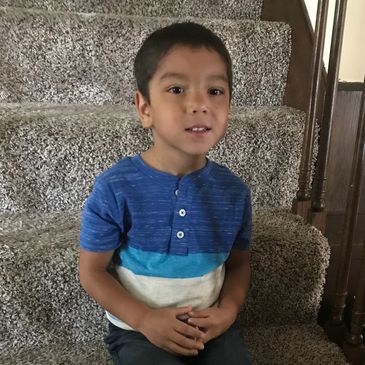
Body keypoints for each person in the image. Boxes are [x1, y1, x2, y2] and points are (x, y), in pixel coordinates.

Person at [79, 21, 252, 365]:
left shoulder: (234, 193)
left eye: (215, 91)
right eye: (176, 89)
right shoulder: (115, 187)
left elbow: (239, 265)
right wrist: (143, 320)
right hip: (138, 329)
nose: (199, 103)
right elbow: (92, 271)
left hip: (210, 327)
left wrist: (228, 312)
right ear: (145, 108)